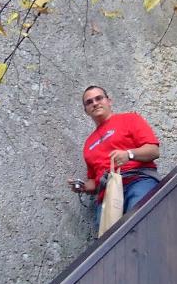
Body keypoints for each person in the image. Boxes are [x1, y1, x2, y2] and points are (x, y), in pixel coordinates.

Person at [69, 85, 161, 228]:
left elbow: (153, 151)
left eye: (99, 98)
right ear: (86, 110)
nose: (95, 103)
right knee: (109, 238)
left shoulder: (130, 119)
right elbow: (95, 181)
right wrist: (83, 186)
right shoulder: (88, 144)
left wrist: (129, 154)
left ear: (109, 101)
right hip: (107, 195)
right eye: (89, 102)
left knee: (141, 223)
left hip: (137, 180)